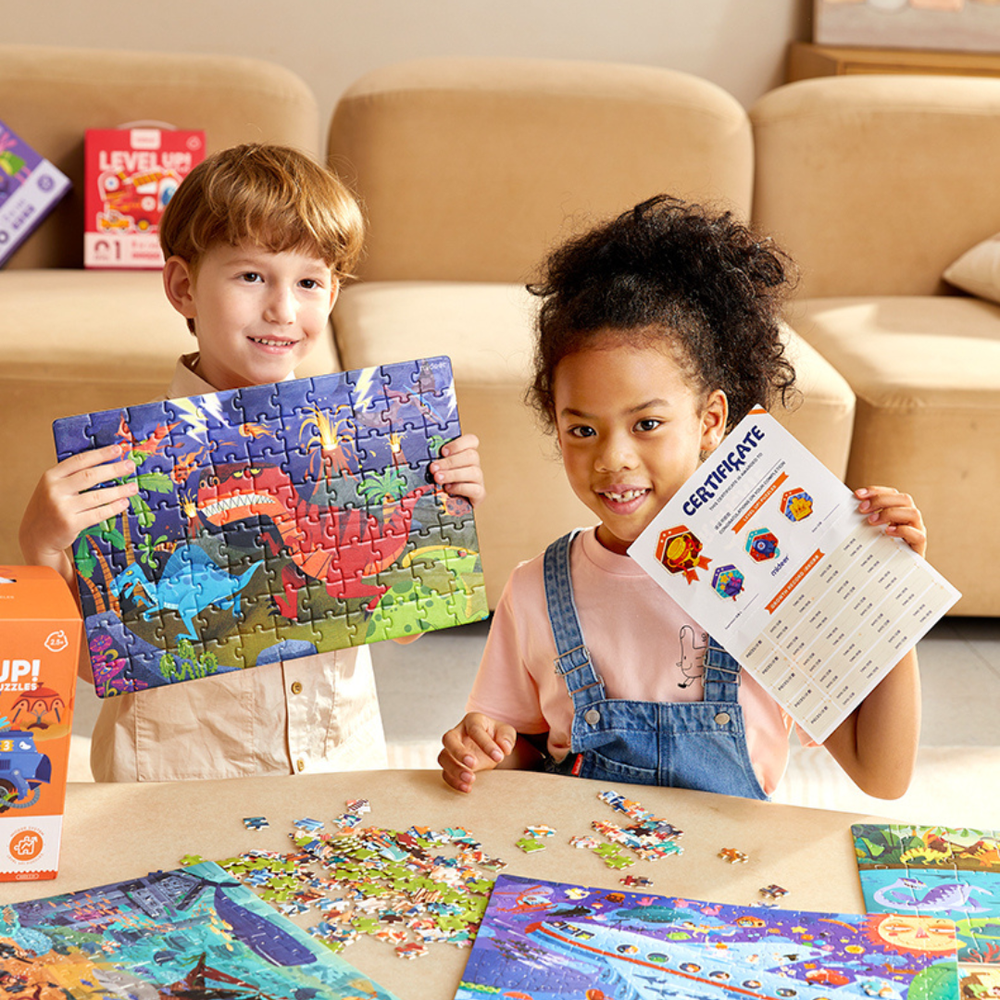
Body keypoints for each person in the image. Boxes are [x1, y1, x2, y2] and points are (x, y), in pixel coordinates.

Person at [19, 143, 485, 782]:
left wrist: (442, 507)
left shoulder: (359, 445)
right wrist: (42, 551)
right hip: (175, 779)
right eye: (251, 276)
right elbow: (94, 665)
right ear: (184, 287)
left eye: (309, 282)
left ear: (333, 292)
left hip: (336, 768)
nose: (282, 311)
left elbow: (400, 623)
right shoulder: (126, 469)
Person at [439, 195, 923, 801]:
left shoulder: (774, 572)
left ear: (710, 421)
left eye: (647, 424)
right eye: (582, 429)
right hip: (574, 860)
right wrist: (483, 750)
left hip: (733, 861)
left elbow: (882, 774)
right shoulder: (535, 589)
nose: (612, 458)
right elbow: (524, 750)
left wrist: (889, 596)